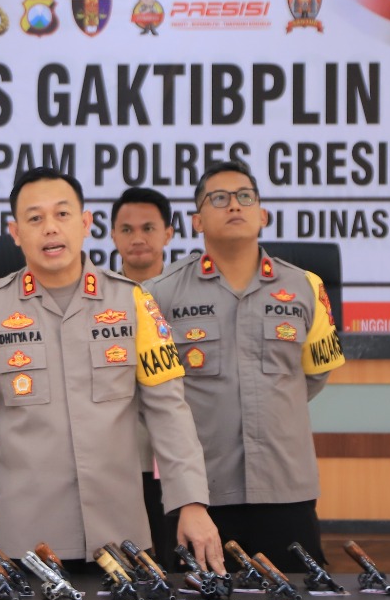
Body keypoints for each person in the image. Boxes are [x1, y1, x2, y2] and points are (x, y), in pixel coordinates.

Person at [0, 167, 222, 574]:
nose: (50, 228)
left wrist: (191, 503)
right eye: (35, 218)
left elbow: (169, 410)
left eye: (62, 214)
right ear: (15, 232)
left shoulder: (134, 302)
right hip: (27, 540)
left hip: (122, 537)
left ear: (85, 223)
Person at [147, 160, 346, 574]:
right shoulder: (159, 294)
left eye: (244, 197)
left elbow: (314, 375)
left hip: (285, 487)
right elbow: (152, 392)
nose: (234, 205)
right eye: (219, 198)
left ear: (263, 214)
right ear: (197, 220)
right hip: (200, 492)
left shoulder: (306, 287)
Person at [109, 186, 180, 566]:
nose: (137, 238)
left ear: (168, 233)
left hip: (180, 455)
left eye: (148, 228)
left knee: (178, 564)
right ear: (112, 235)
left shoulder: (188, 296)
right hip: (121, 457)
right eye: (127, 229)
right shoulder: (99, 300)